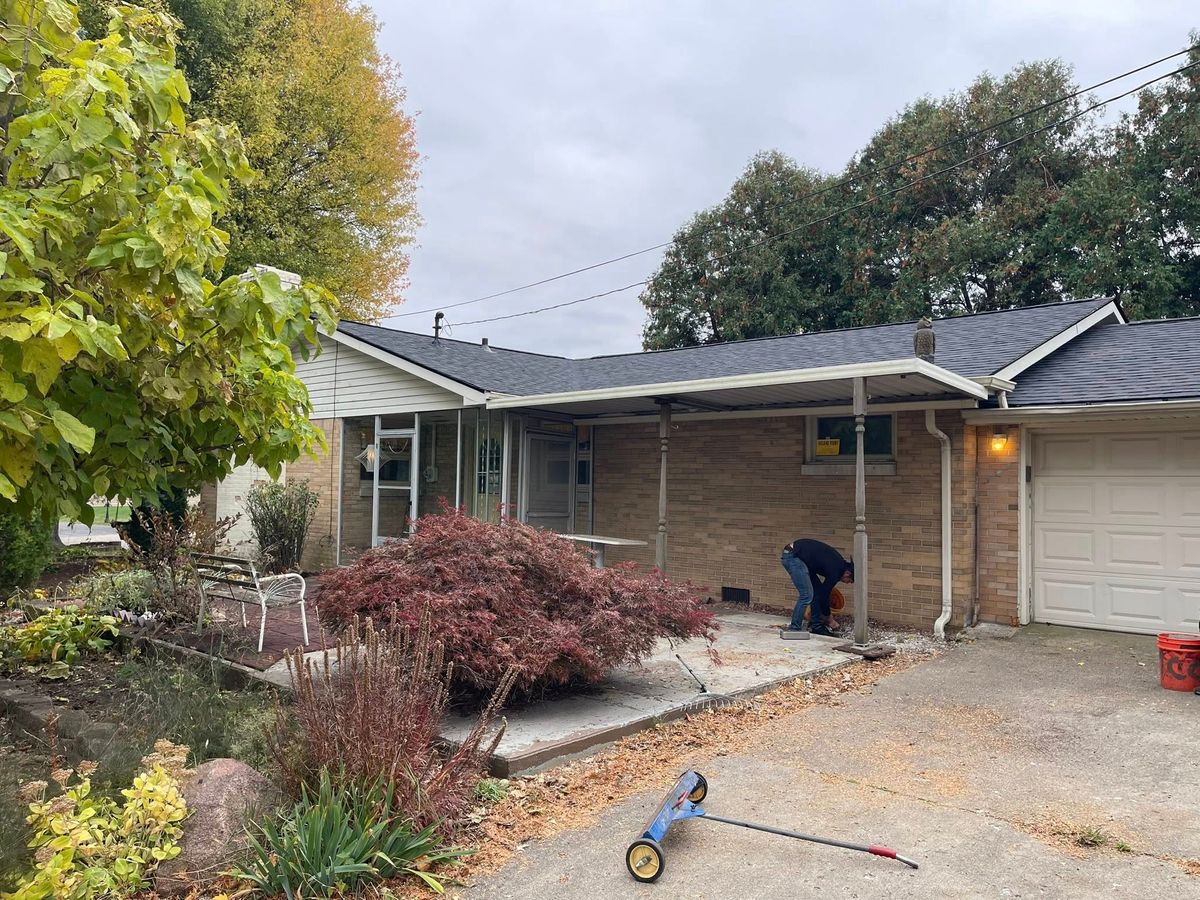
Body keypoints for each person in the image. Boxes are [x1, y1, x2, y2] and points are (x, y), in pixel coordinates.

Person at [780, 538, 854, 638]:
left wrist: (825, 613)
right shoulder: (836, 571)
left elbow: (822, 593)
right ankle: (794, 629)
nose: (847, 583)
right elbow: (825, 595)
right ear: (848, 573)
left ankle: (817, 626)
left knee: (816, 592)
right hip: (793, 557)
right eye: (849, 581)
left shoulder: (838, 565)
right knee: (806, 595)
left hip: (799, 557)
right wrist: (829, 618)